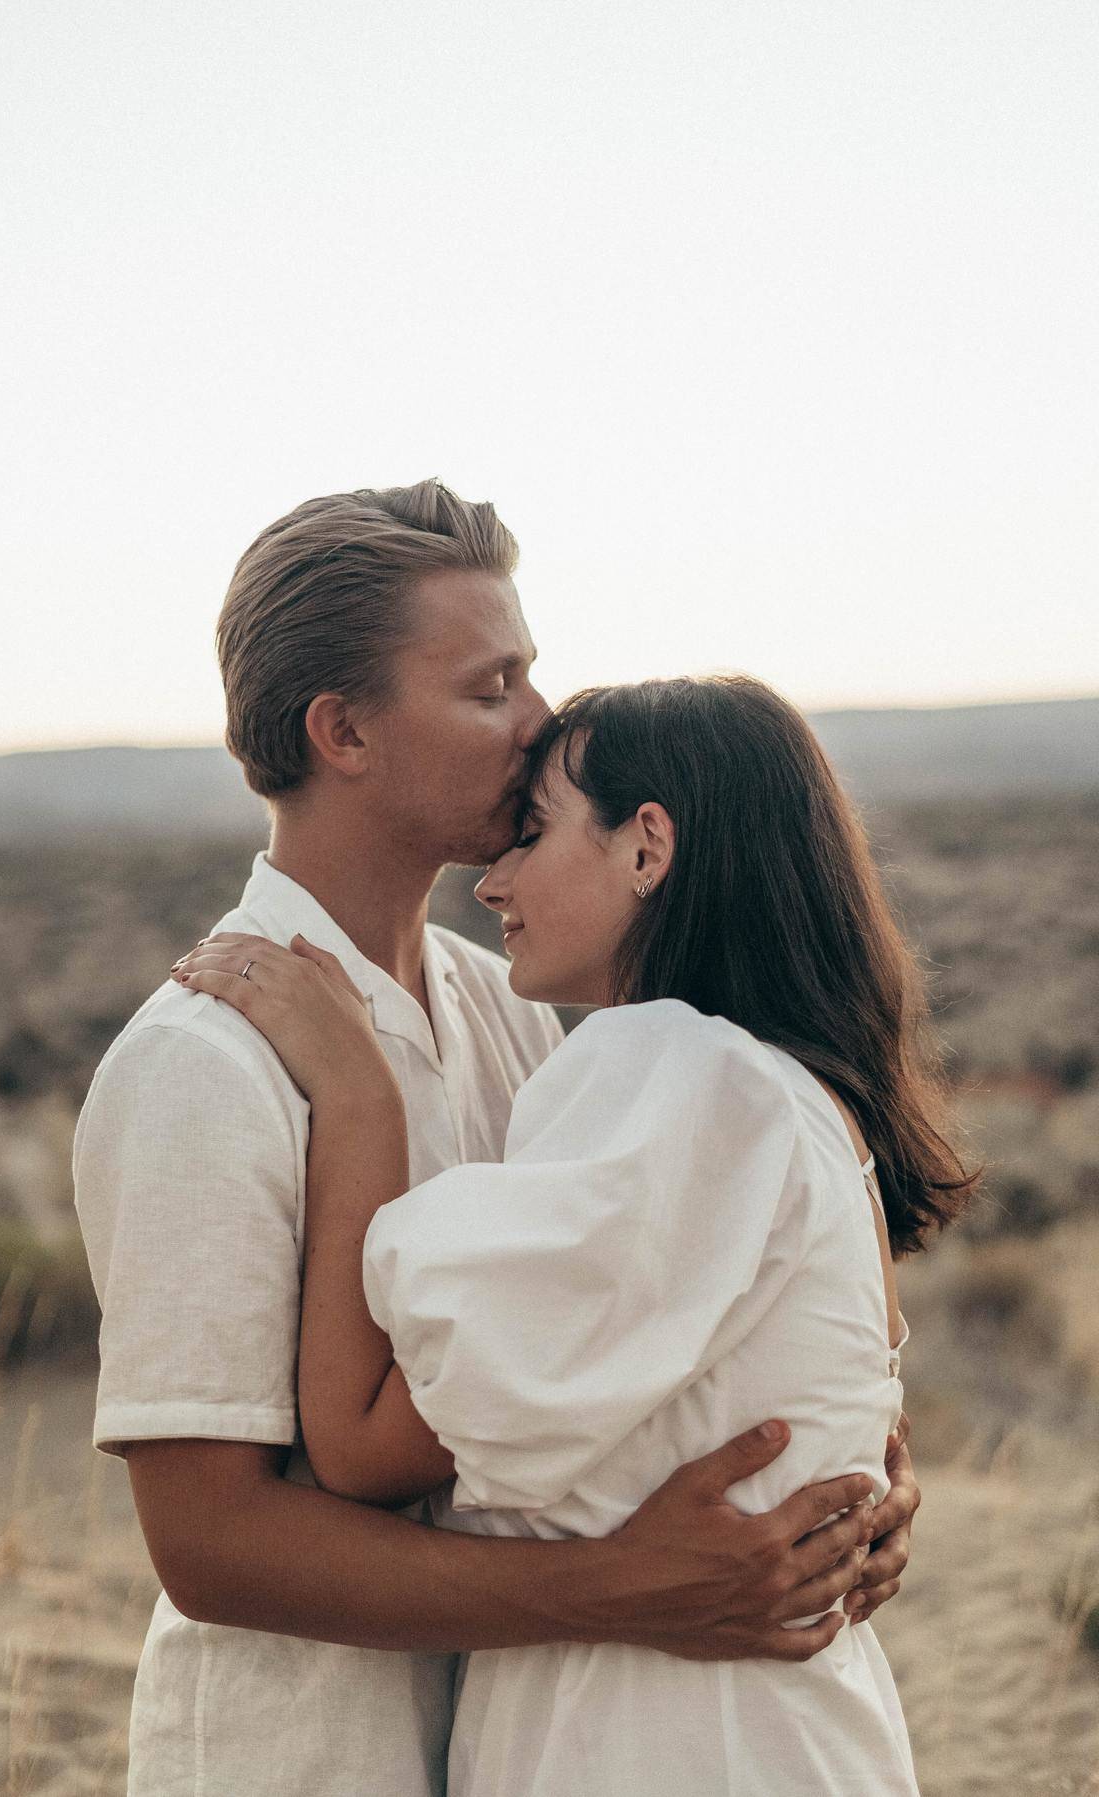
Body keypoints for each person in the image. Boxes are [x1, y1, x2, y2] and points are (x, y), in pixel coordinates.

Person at [74, 483, 918, 1797]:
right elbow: (212, 1545)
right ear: (343, 730)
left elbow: (659, 1329)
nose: (539, 719)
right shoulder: (205, 1062)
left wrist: (844, 1474)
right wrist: (627, 1589)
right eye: (492, 685)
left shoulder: (518, 1017)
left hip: (554, 1742)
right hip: (307, 1764)